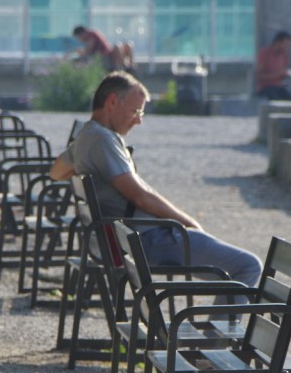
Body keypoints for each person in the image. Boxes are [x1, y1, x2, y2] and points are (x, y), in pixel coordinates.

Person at [49, 71, 262, 297]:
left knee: (232, 272)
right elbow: (140, 196)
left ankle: (222, 320)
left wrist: (85, 170)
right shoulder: (101, 140)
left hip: (131, 237)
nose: (139, 120)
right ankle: (221, 323)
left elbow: (56, 172)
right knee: (248, 266)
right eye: (135, 111)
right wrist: (188, 223)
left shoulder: (87, 135)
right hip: (147, 239)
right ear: (112, 102)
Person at [71, 25, 136, 73]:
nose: (80, 40)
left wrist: (80, 56)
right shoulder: (92, 34)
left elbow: (88, 50)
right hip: (107, 56)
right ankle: (127, 67)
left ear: (82, 34)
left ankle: (124, 68)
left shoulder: (90, 35)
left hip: (106, 58)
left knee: (119, 46)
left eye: (79, 37)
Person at [255, 30, 291, 101]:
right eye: (285, 45)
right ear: (278, 42)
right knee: (276, 100)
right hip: (266, 87)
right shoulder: (264, 54)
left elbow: (282, 75)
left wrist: (286, 74)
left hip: (279, 87)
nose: (286, 47)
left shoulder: (284, 55)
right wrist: (275, 75)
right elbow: (258, 76)